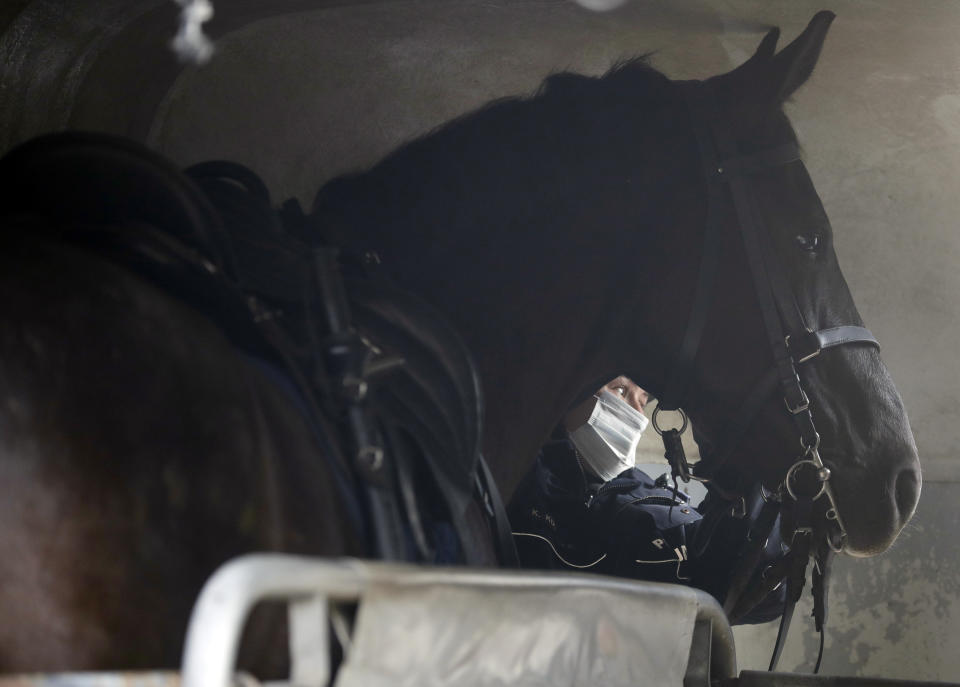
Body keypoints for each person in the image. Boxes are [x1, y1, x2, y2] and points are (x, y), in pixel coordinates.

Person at [507, 375, 786, 624]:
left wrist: (737, 476)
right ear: (573, 392)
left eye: (643, 399)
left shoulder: (648, 491)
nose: (637, 413)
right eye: (619, 390)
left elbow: (762, 595)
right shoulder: (518, 474)